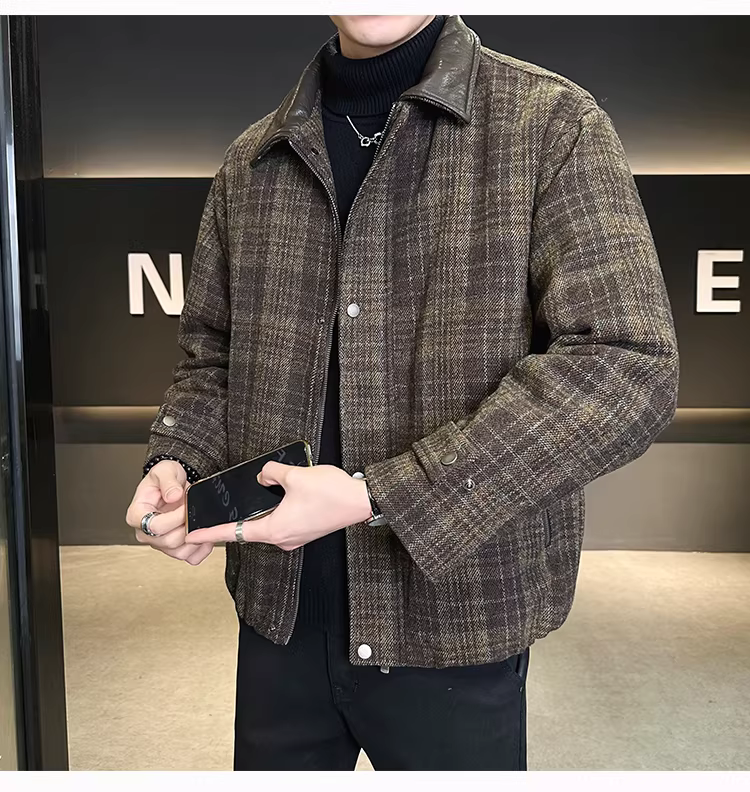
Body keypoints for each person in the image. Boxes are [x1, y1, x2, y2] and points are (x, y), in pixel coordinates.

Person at [125, 14, 679, 771]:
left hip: (455, 622)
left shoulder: (550, 125)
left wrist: (376, 495)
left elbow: (627, 365)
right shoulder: (253, 161)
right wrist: (179, 459)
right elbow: (212, 357)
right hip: (279, 613)